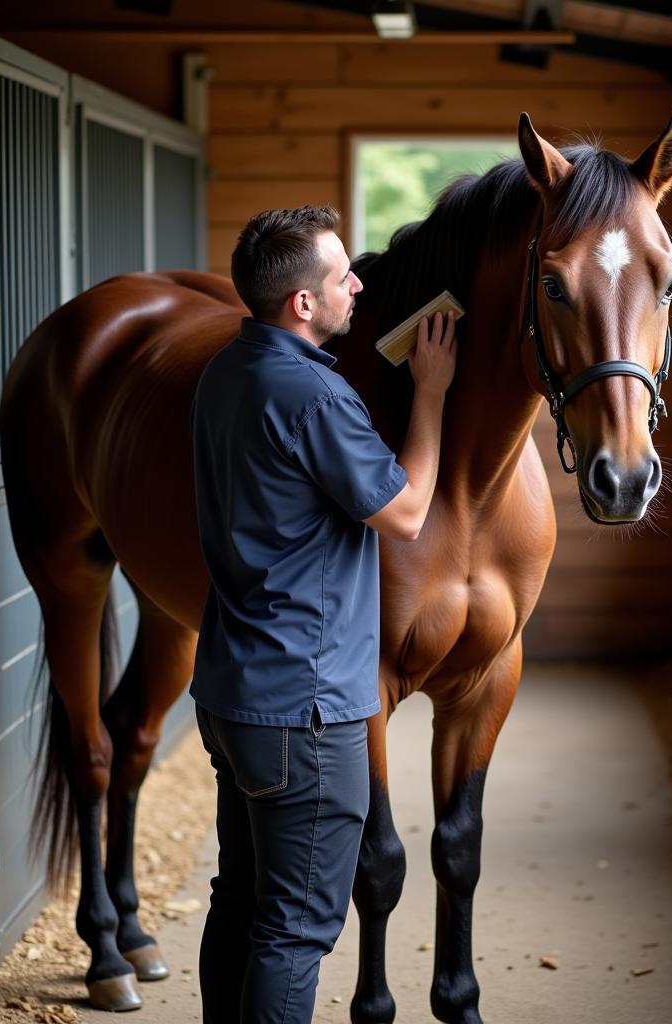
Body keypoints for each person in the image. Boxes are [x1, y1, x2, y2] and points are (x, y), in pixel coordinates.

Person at [189, 204, 457, 1024]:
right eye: (342, 275)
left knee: (239, 899)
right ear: (303, 303)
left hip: (232, 693)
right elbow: (407, 512)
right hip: (305, 711)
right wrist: (434, 395)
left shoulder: (225, 371)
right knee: (297, 930)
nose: (357, 284)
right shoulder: (315, 394)